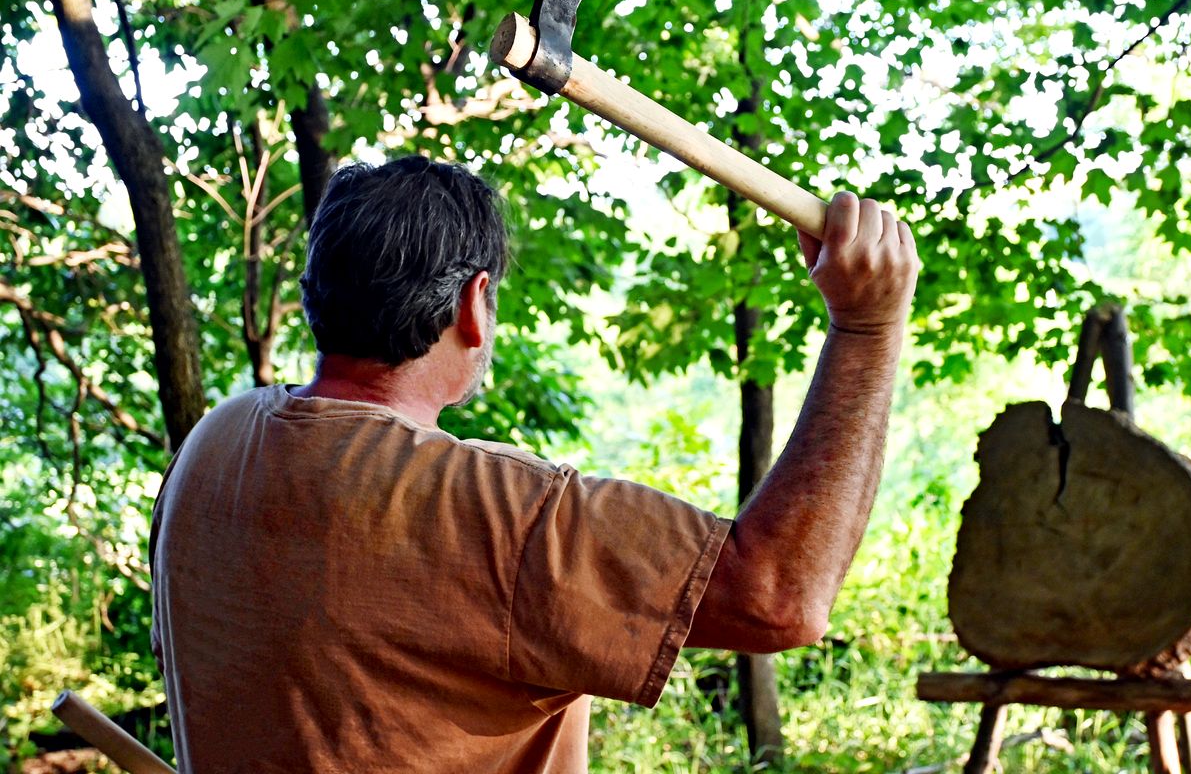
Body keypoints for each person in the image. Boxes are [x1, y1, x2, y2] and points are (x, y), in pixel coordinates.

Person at [150, 155, 920, 773]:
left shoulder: (218, 443)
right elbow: (782, 597)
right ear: (473, 305)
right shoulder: (493, 517)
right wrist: (868, 327)